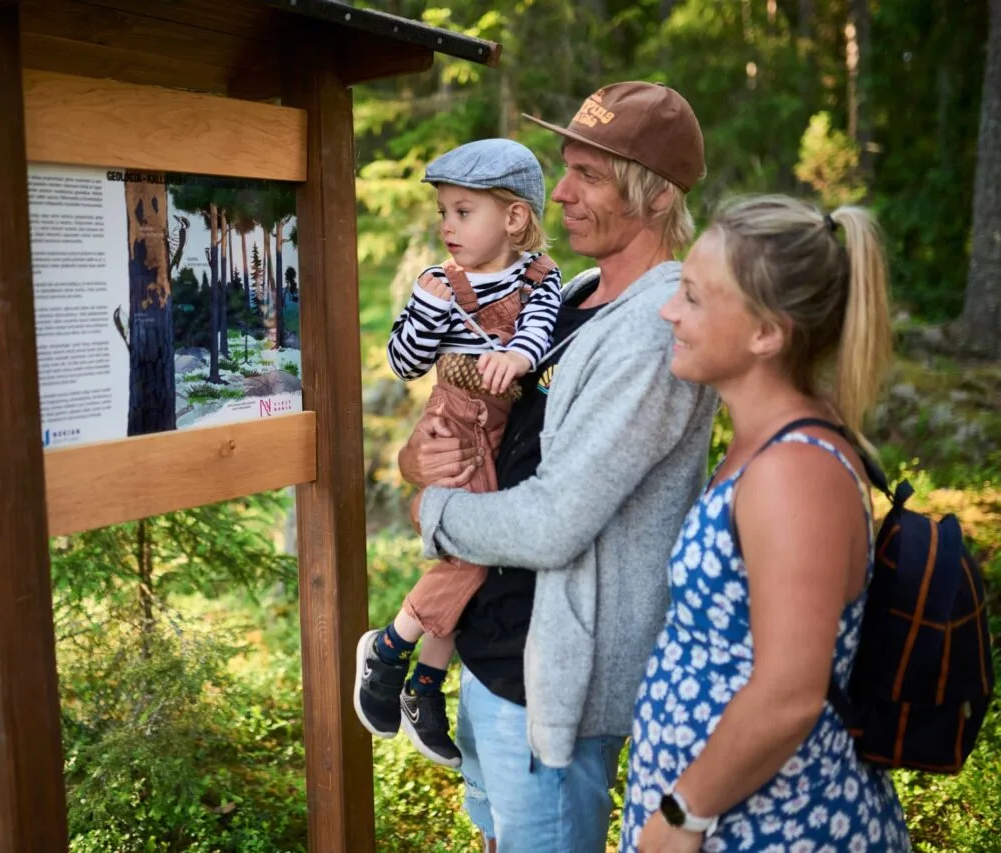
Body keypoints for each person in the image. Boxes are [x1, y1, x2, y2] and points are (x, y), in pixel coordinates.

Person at [397, 82, 719, 852]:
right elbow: (480, 416)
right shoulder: (572, 294)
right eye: (564, 168)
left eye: (588, 176)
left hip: (553, 687)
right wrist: (419, 457)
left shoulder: (654, 327)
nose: (560, 192)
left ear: (648, 193)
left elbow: (555, 521)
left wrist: (432, 512)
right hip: (490, 654)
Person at [620, 196, 911, 852]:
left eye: (693, 297)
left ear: (766, 333)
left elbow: (788, 692)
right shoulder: (763, 446)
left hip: (774, 827)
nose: (670, 311)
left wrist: (681, 815)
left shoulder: (792, 473)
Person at [353, 138, 564, 768]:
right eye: (443, 211)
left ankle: (420, 683)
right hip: (456, 426)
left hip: (506, 432)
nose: (446, 225)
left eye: (463, 211)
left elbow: (537, 331)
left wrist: (518, 357)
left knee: (472, 562)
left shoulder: (540, 278)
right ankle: (392, 650)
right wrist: (427, 310)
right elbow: (404, 362)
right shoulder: (439, 283)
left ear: (515, 217)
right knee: (473, 555)